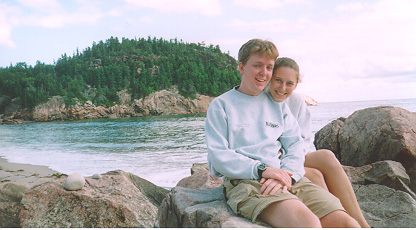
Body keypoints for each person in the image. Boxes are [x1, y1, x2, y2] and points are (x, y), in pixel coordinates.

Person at [205, 38, 360, 228]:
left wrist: (287, 174)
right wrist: (263, 169)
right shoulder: (221, 105)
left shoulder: (277, 105)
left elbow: (295, 145)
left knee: (347, 224)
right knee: (308, 223)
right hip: (247, 182)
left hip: (285, 177)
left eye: (269, 67)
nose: (264, 73)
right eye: (257, 65)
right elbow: (218, 155)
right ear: (241, 67)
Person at [266, 57, 370, 228]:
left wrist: (288, 157)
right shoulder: (261, 100)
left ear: (296, 85)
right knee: (314, 175)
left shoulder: (296, 102)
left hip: (290, 158)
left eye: (289, 83)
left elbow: (303, 140)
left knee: (326, 156)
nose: (282, 88)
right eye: (278, 80)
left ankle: (361, 223)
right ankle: (337, 221)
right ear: (270, 78)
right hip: (269, 163)